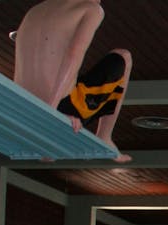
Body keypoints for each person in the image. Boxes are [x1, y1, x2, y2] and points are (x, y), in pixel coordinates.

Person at [13, 0, 132, 162]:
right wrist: (51, 112)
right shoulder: (91, 9)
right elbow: (73, 55)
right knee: (124, 56)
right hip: (58, 106)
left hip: (22, 104)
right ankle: (104, 136)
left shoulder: (35, 10)